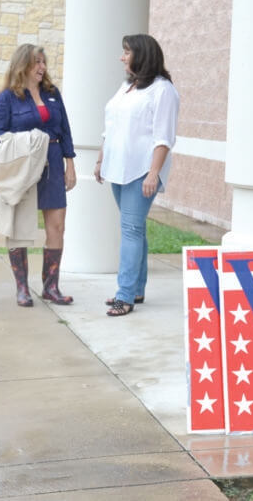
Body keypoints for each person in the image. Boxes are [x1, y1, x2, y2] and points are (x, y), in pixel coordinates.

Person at [94, 34, 180, 317]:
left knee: (130, 231)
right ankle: (137, 288)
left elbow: (163, 137)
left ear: (142, 55)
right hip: (117, 169)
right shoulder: (127, 87)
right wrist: (101, 159)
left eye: (127, 52)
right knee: (135, 229)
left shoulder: (162, 90)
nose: (122, 57)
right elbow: (111, 126)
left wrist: (153, 173)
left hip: (140, 171)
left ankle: (124, 296)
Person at [0, 43, 76, 307]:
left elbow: (65, 130)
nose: (42, 67)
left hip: (52, 161)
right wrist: (26, 141)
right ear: (23, 65)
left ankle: (51, 287)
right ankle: (22, 289)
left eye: (44, 62)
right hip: (25, 166)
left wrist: (69, 163)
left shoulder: (52, 93)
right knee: (19, 227)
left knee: (57, 226)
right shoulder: (8, 97)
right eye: (37, 62)